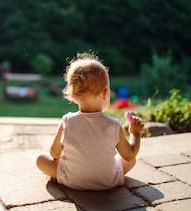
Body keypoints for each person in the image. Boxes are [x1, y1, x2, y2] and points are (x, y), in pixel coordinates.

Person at [36, 53, 144, 190]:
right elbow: (129, 155)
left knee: (41, 159)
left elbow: (54, 153)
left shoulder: (67, 121)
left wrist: (62, 155)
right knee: (131, 161)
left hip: (72, 179)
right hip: (108, 181)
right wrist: (135, 133)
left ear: (73, 94)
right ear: (105, 93)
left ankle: (70, 175)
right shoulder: (114, 125)